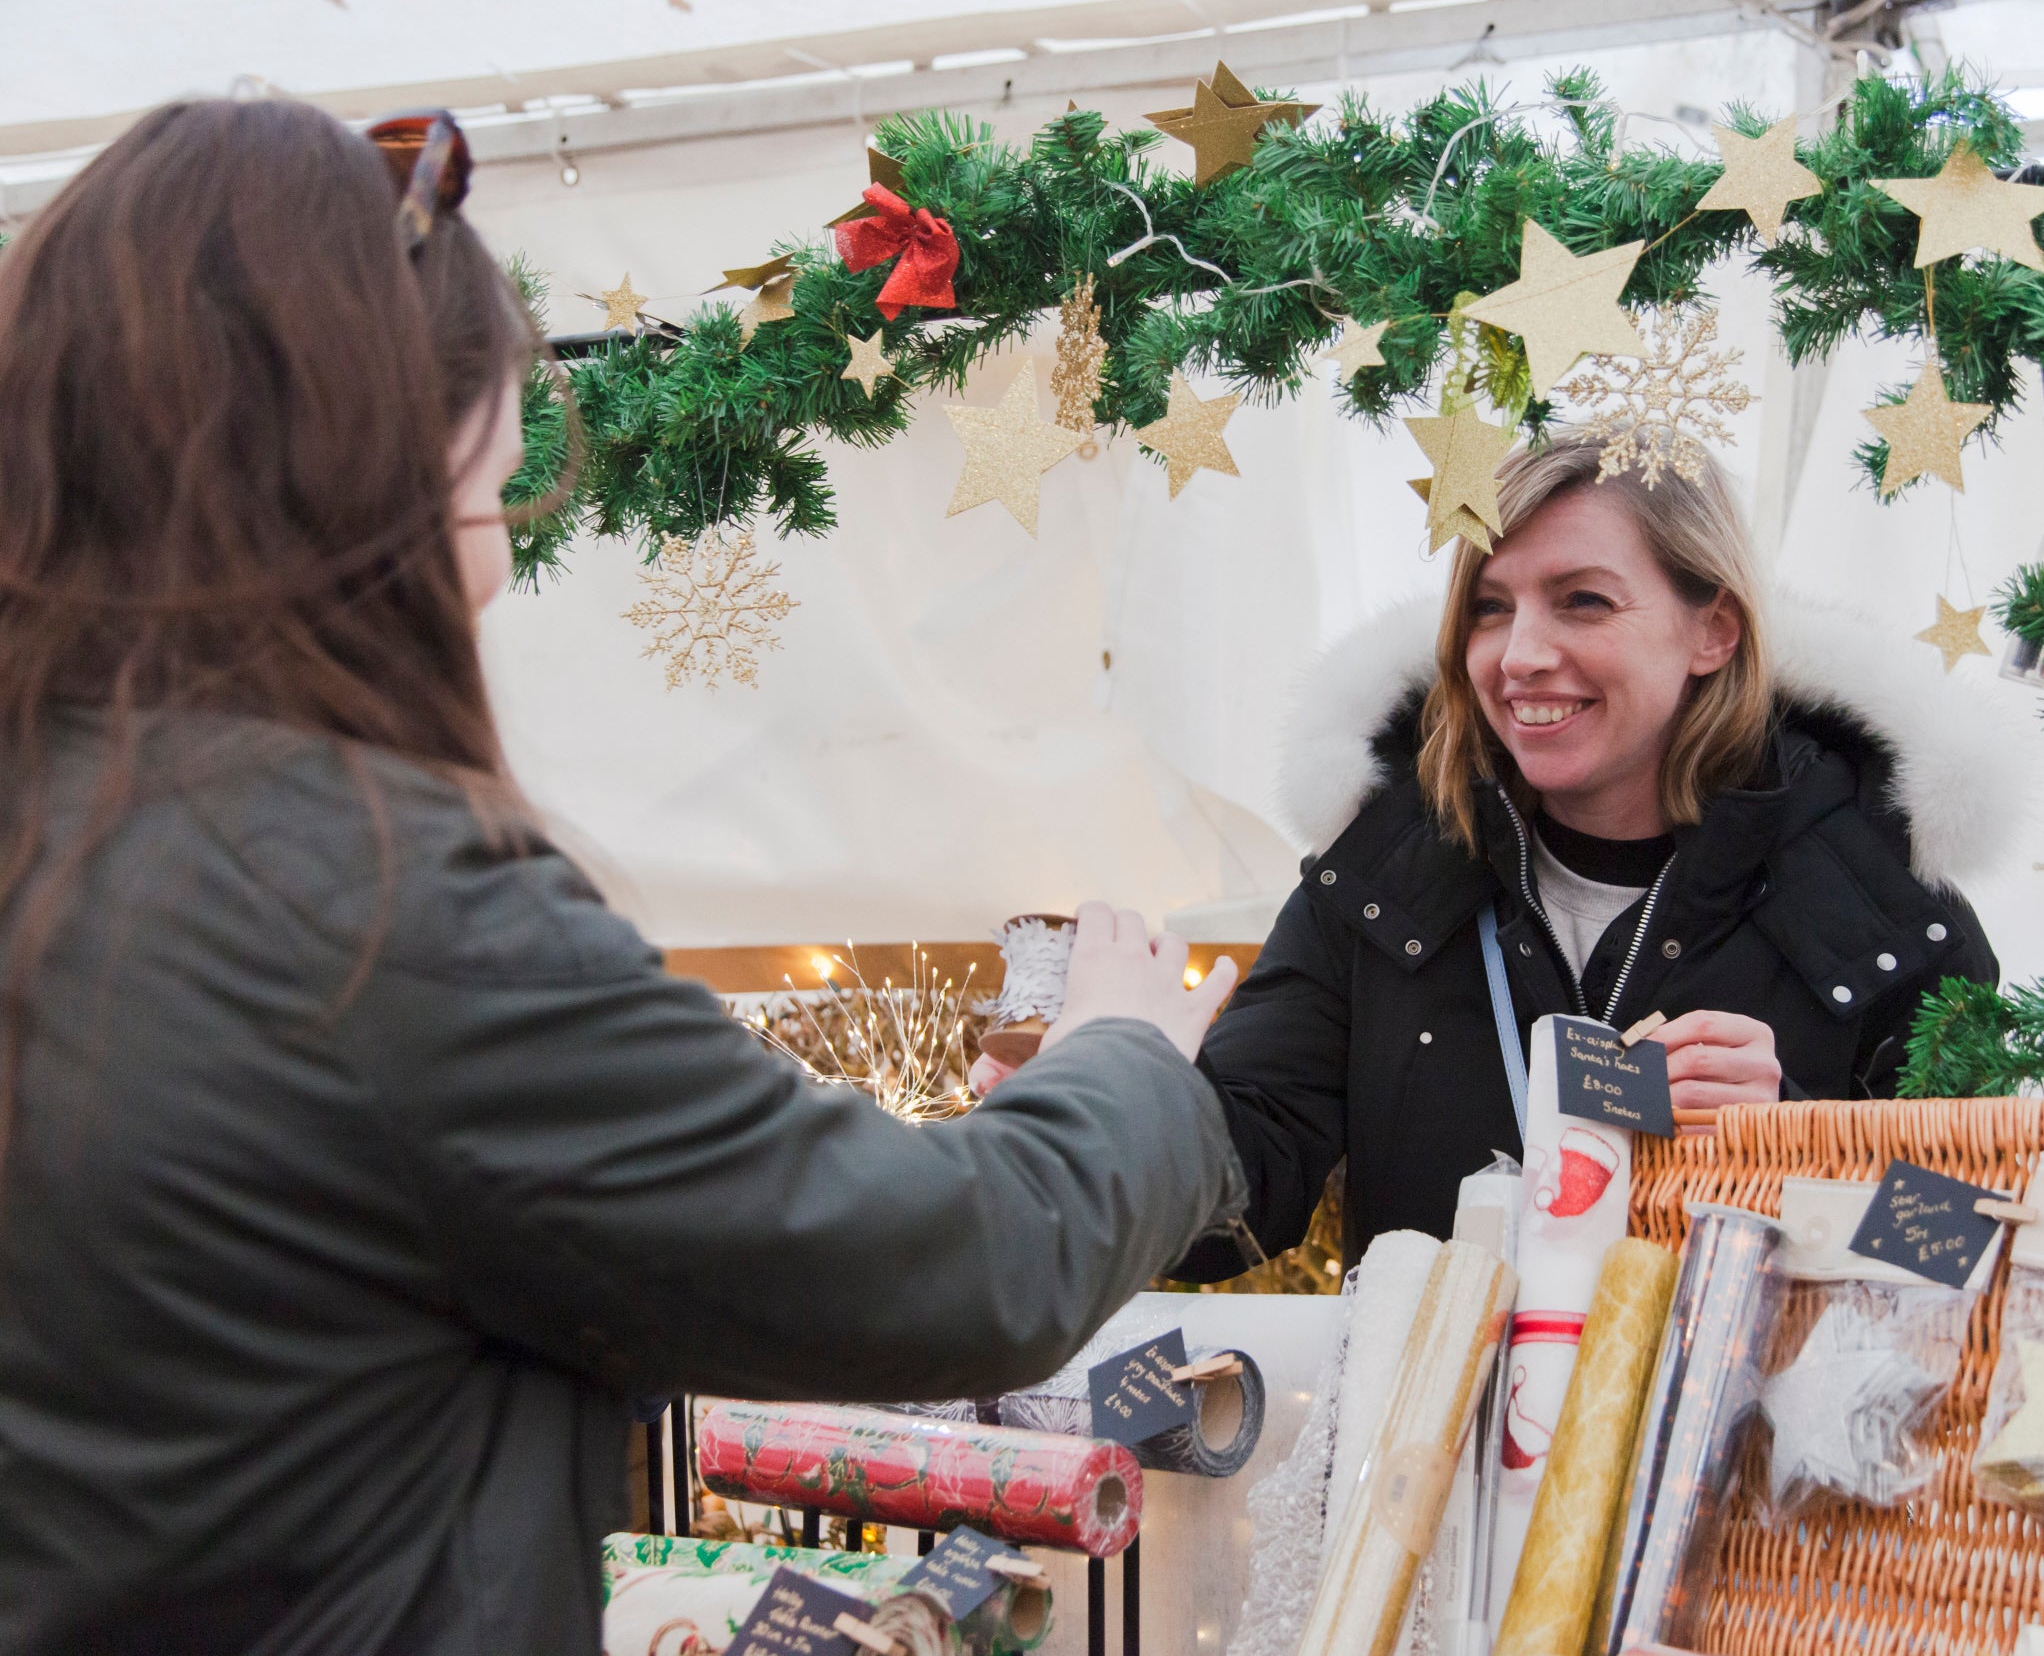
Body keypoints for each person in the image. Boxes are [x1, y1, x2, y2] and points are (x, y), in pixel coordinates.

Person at [0, 101, 1241, 1656]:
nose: (499, 560)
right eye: (490, 495)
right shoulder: (378, 913)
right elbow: (960, 1263)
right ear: (364, 467)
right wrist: (1124, 1052)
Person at [1168, 432, 2008, 1278]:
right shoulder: (1382, 869)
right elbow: (1231, 1198)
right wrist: (1097, 1111)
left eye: (1584, 601)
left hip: (1742, 1405)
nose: (1522, 656)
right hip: (1444, 1409)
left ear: (1712, 629)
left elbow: (1973, 1251)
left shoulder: (1890, 906)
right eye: (1490, 607)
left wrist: (1794, 1146)